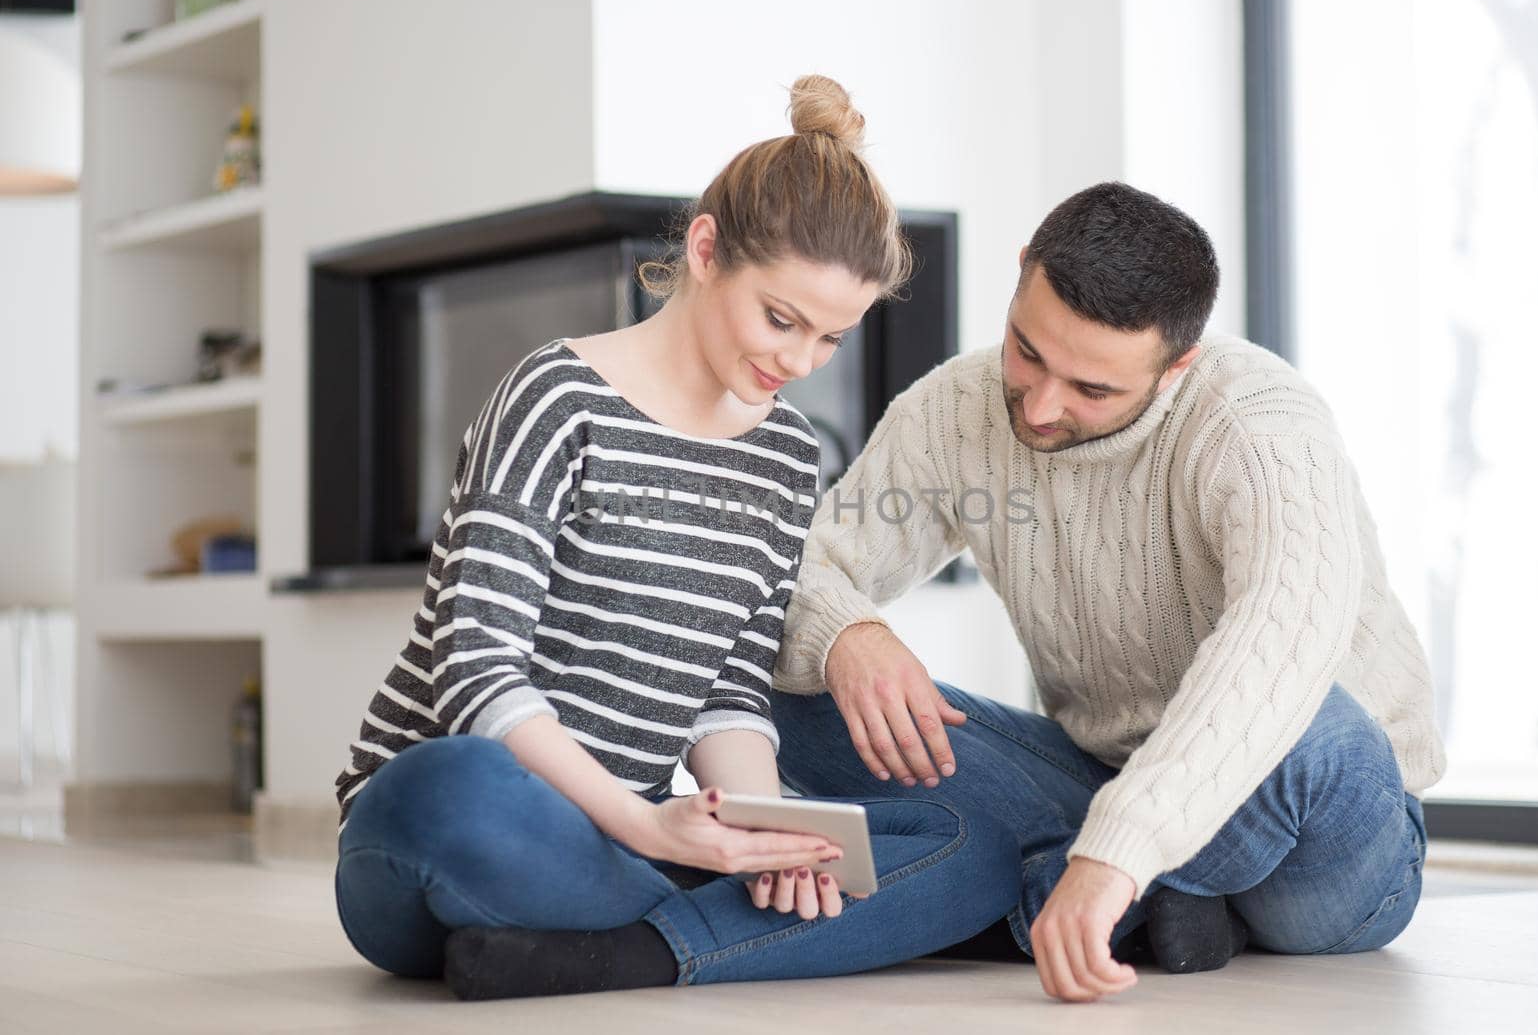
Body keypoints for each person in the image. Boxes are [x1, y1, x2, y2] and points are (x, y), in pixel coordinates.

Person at [329, 75, 1019, 1001]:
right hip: (459, 828)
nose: (798, 362)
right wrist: (657, 831)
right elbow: (475, 672)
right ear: (705, 250)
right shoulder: (554, 396)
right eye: (781, 318)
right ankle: (706, 926)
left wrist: (762, 827)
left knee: (970, 846)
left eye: (831, 339)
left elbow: (728, 686)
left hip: (623, 837)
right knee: (446, 788)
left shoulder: (784, 454)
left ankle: (615, 948)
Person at [770, 182, 1448, 1003]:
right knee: (798, 687)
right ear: (1022, 274)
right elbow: (794, 566)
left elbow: (1278, 656)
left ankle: (1036, 899)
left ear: (1177, 366)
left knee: (1322, 727)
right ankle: (1168, 903)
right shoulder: (957, 410)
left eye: (1093, 390)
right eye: (1028, 350)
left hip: (1326, 840)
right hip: (1103, 781)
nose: (1044, 405)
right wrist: (847, 631)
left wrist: (1115, 854)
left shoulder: (1258, 425)